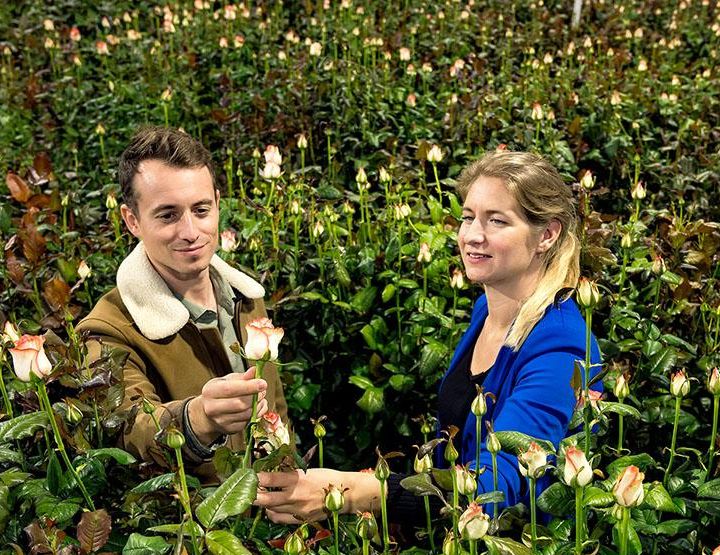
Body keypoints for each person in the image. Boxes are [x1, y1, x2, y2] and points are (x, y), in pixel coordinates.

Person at [254, 150, 602, 524]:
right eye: (468, 218)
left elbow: (497, 484)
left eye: (496, 221)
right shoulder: (488, 310)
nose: (472, 236)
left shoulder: (561, 344)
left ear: (547, 234)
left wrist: (355, 494)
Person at [77, 126, 288, 480]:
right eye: (168, 215)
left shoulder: (247, 300)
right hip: (196, 528)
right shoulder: (107, 332)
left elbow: (277, 414)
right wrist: (199, 418)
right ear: (132, 221)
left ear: (218, 204)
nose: (190, 231)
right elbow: (129, 431)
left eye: (201, 210)